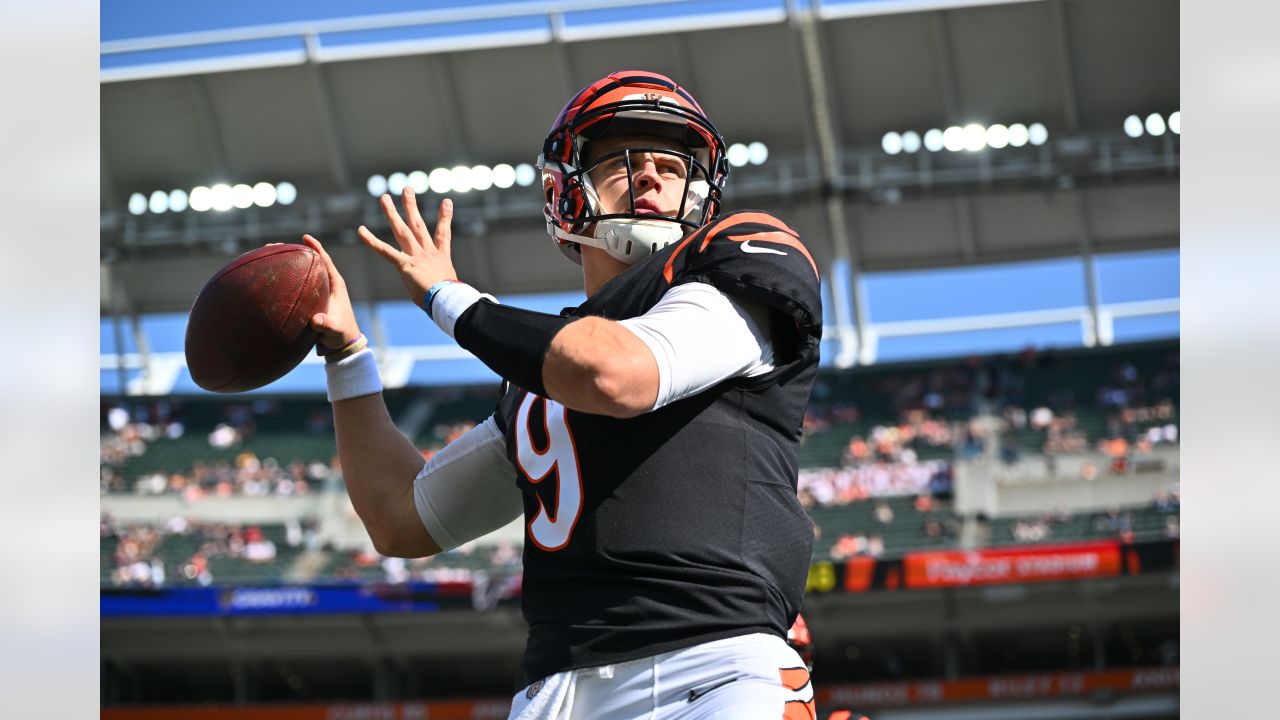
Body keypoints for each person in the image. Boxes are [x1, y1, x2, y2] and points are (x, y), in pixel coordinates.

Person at [304, 70, 822, 719]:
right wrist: (347, 357)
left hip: (713, 667)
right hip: (560, 693)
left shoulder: (742, 255)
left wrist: (451, 298)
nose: (653, 177)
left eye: (673, 163)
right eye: (624, 162)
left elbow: (617, 374)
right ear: (564, 190)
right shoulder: (537, 377)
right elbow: (398, 517)